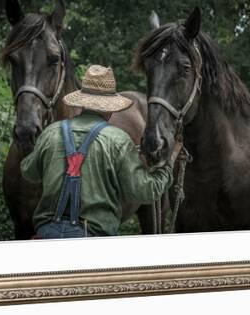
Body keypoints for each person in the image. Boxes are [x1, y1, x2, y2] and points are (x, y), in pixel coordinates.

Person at [20, 65, 174, 239]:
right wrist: (167, 163)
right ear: (110, 108)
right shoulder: (118, 140)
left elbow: (29, 173)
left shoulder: (51, 133)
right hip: (94, 239)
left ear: (82, 103)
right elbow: (147, 191)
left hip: (47, 235)